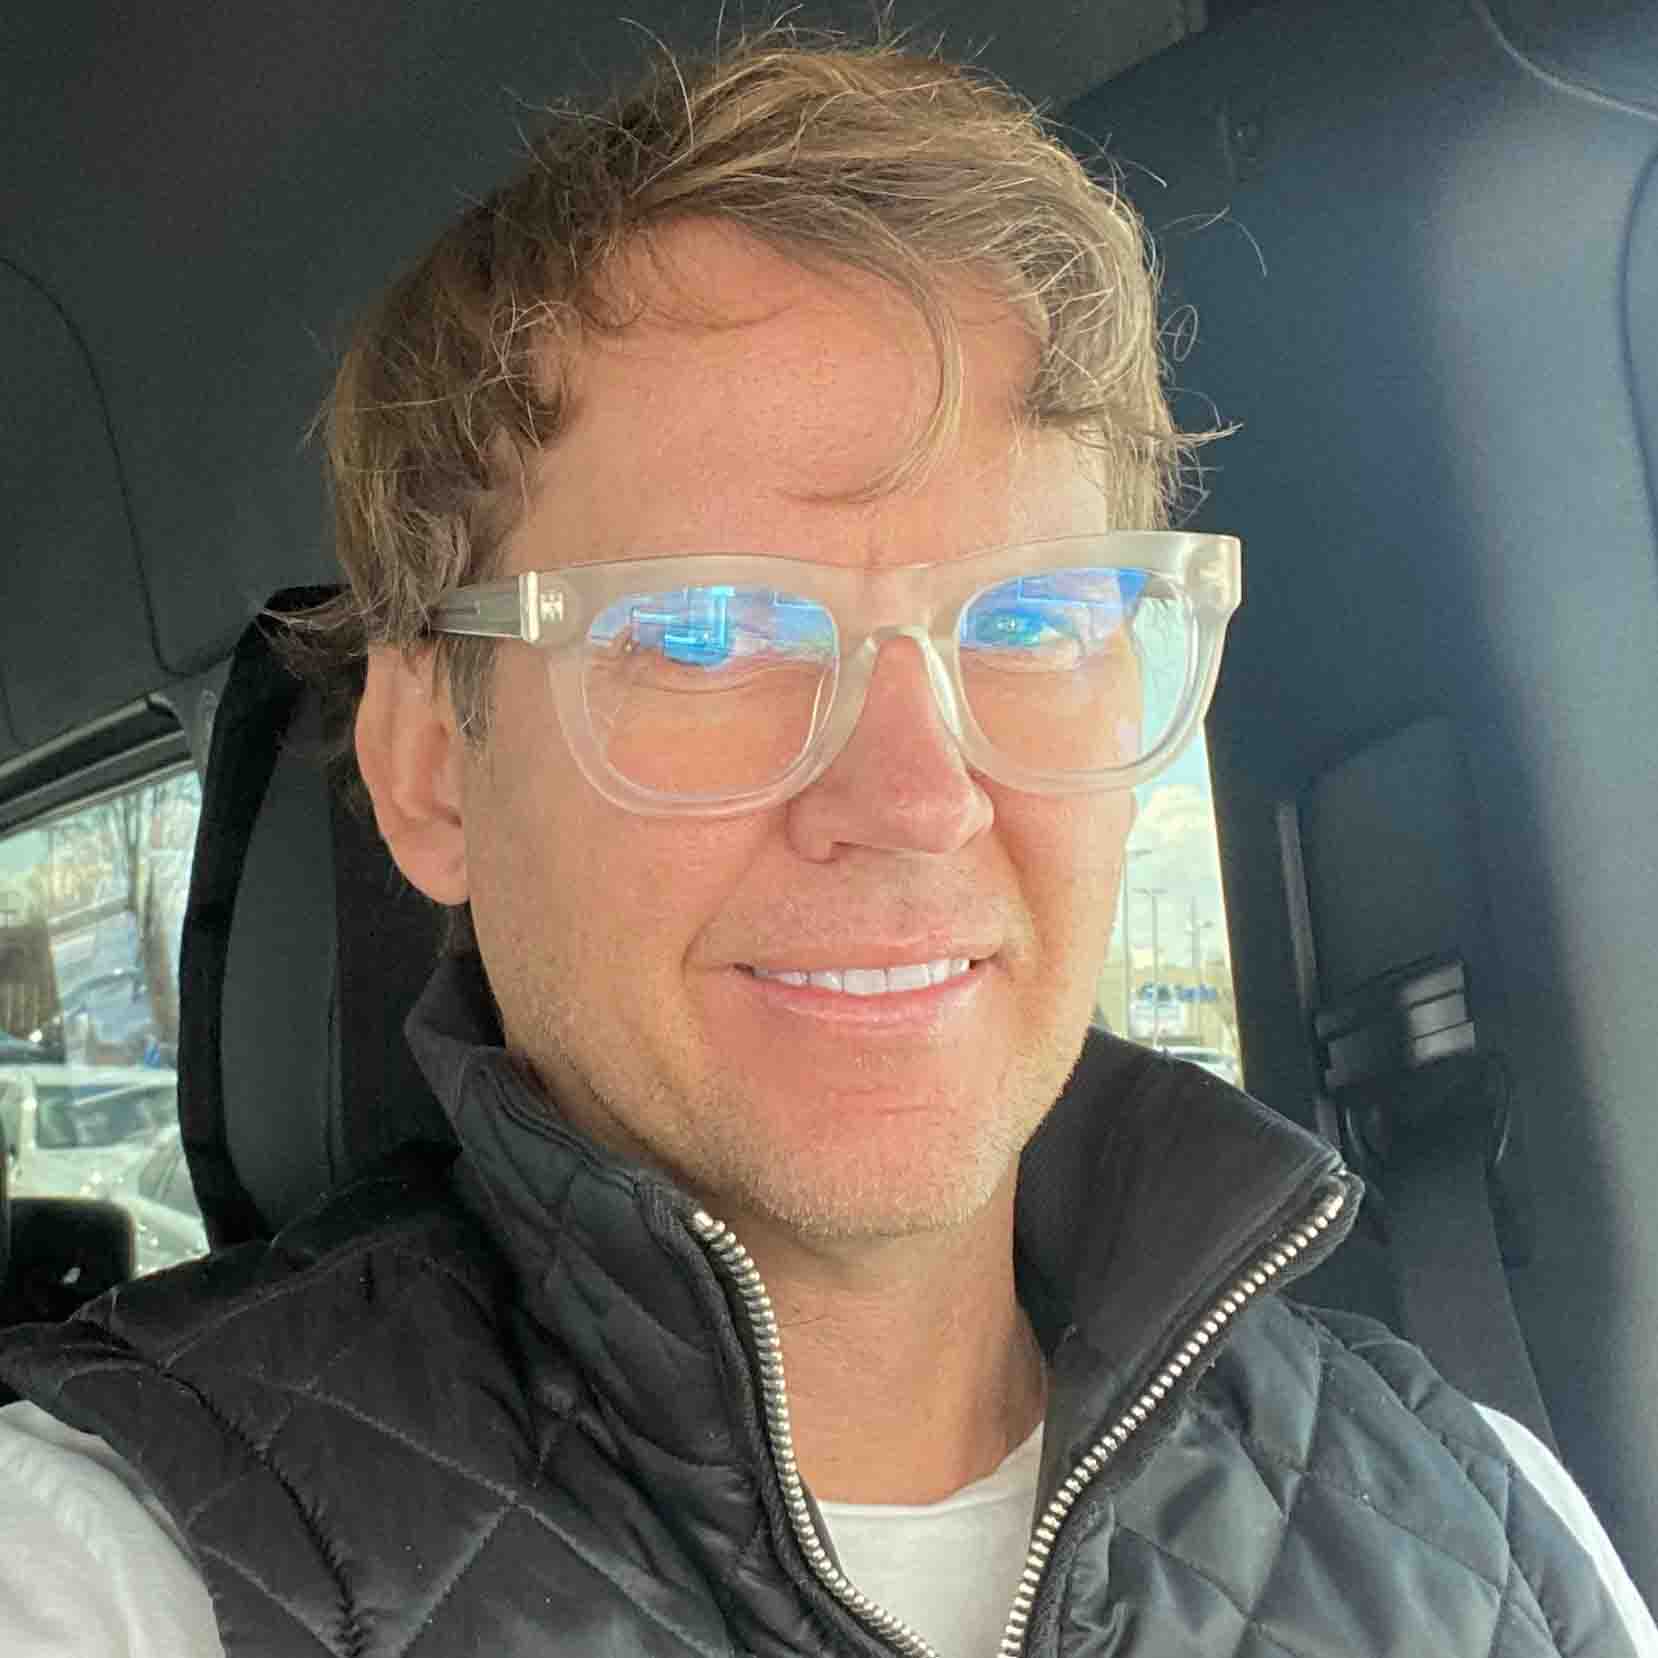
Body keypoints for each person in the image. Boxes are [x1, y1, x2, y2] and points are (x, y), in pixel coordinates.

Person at [0, 31, 1653, 1658]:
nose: (917, 796)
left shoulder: (1484, 1521)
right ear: (432, 768)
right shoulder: (106, 1568)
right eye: (706, 635)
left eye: (1034, 620)